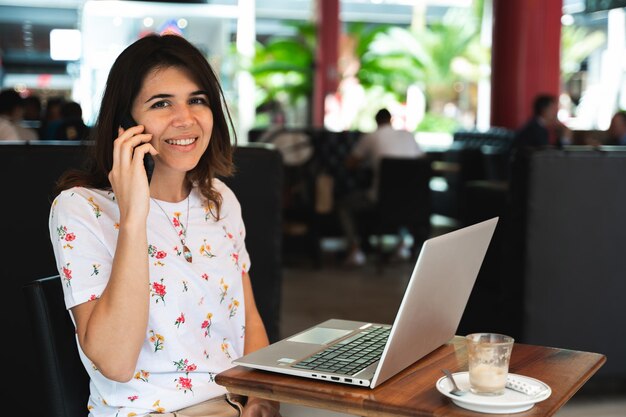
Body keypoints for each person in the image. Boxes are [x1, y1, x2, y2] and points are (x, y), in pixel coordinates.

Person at [48, 34, 281, 417]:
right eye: (161, 103)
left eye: (197, 100)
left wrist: (261, 396)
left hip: (232, 406)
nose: (185, 118)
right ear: (126, 123)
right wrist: (135, 214)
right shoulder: (80, 209)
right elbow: (116, 361)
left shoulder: (219, 200)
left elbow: (249, 320)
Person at [337, 108, 424, 266]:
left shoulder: (371, 137)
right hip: (413, 201)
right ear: (390, 120)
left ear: (377, 121)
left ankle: (355, 250)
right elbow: (422, 161)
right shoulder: (408, 136)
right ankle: (401, 245)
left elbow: (350, 163)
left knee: (344, 205)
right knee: (399, 208)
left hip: (381, 198)